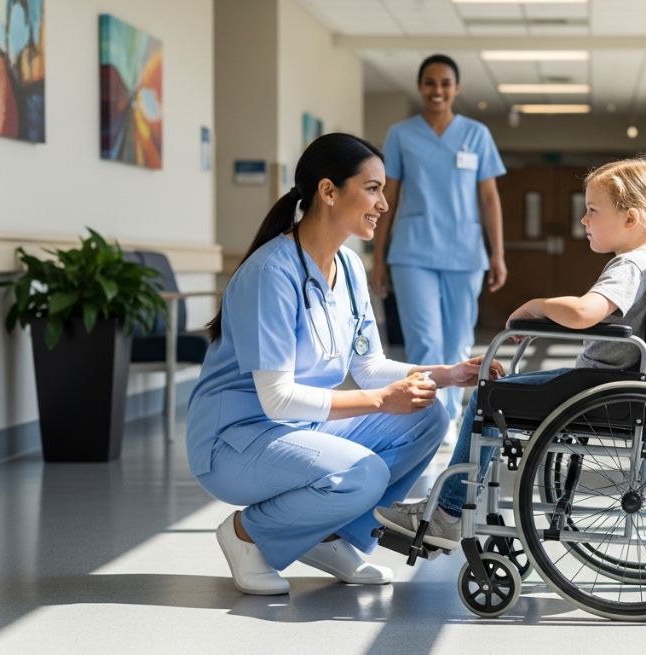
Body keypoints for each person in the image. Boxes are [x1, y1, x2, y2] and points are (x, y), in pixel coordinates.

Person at [186, 133, 504, 595]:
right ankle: (247, 536)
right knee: (364, 473)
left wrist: (450, 374)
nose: (384, 204)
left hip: (298, 428)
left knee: (428, 413)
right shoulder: (271, 273)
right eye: (372, 189)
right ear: (328, 191)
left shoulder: (349, 267)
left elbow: (371, 365)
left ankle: (335, 536)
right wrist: (380, 401)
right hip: (234, 440)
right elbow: (277, 400)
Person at [374, 157, 646, 549]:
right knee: (503, 388)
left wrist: (537, 304)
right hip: (614, 387)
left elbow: (586, 312)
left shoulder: (629, 265)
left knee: (489, 396)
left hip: (597, 389)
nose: (584, 220)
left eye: (592, 210)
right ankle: (454, 507)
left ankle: (448, 513)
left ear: (631, 219)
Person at [371, 53, 507, 421]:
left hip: (465, 252)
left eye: (445, 83)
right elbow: (390, 197)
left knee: (458, 341)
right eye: (430, 83)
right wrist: (378, 258)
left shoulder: (476, 134)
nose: (437, 90)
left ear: (456, 88)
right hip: (413, 251)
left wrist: (498, 254)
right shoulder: (401, 134)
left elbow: (489, 197)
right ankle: (433, 420)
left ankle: (449, 413)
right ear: (420, 87)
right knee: (425, 342)